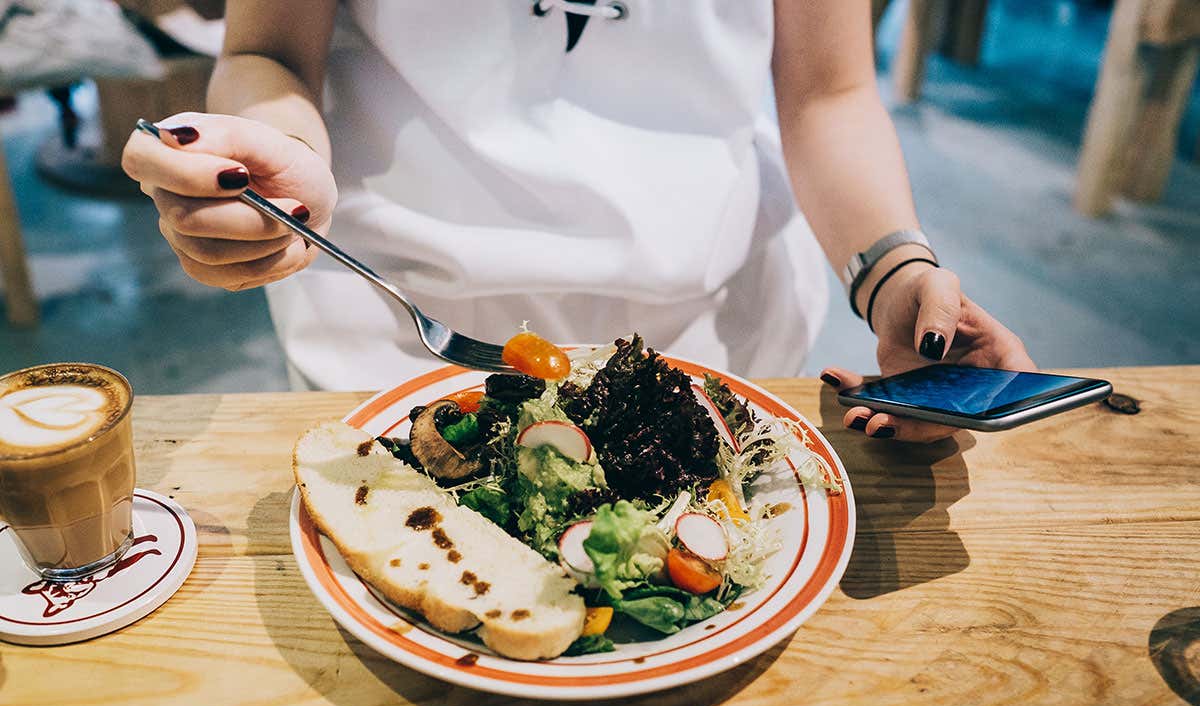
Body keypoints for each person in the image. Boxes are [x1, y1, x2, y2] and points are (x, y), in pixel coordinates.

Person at [121, 1, 1034, 443]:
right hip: (397, 330)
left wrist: (896, 277)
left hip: (709, 326)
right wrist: (276, 160)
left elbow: (828, 93)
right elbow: (268, 51)